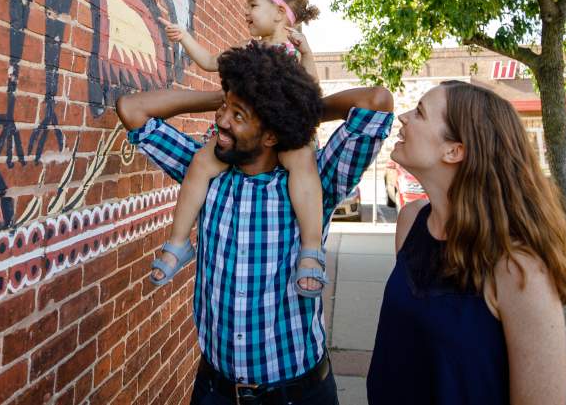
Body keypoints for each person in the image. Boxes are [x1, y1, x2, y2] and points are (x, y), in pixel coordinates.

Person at [116, 42, 393, 405]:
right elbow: (132, 109)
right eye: (224, 110)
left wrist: (294, 111)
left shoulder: (315, 181)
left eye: (239, 116)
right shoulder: (203, 170)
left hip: (297, 393)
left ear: (270, 134)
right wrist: (231, 96)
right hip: (215, 390)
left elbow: (376, 102)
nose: (221, 121)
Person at [367, 80, 566, 405]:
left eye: (420, 112)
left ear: (455, 150)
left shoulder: (518, 267)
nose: (404, 117)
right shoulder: (410, 221)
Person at [158, 0, 326, 297]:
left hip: (284, 132)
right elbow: (208, 62)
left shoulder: (292, 51)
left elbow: (312, 89)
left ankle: (311, 250)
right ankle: (177, 243)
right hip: (240, 134)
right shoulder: (248, 53)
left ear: (279, 13)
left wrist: (307, 52)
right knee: (202, 164)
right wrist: (185, 37)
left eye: (252, 5)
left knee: (302, 164)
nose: (245, 13)